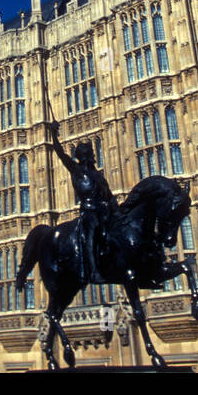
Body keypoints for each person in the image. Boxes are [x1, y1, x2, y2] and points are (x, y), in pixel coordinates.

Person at [49, 121, 116, 284]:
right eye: (88, 154)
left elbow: (109, 195)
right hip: (89, 213)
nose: (91, 156)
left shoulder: (98, 175)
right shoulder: (76, 170)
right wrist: (53, 134)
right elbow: (60, 154)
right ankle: (92, 271)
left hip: (104, 212)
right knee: (91, 232)